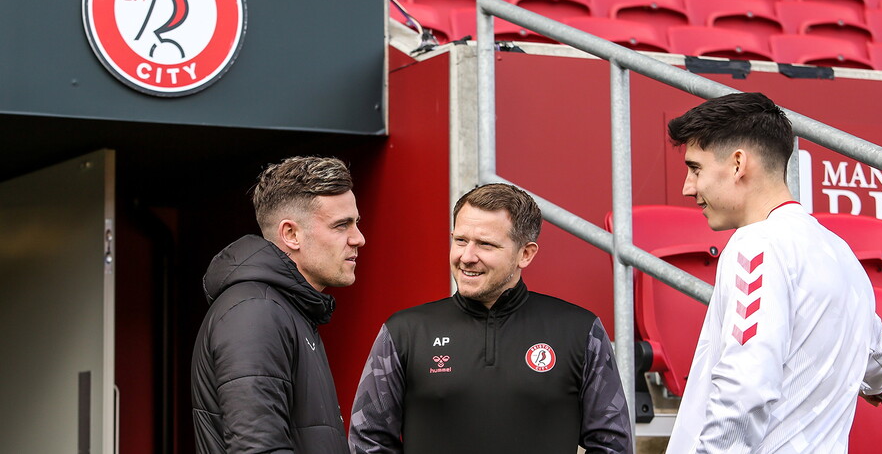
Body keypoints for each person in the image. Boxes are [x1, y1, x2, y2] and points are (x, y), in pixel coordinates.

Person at [664, 92, 882, 453]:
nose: (688, 187)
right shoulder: (840, 252)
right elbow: (874, 355)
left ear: (737, 163)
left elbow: (744, 388)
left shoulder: (755, 244)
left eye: (695, 168)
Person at [348, 183, 633, 454]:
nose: (467, 256)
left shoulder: (580, 331)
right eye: (460, 240)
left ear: (525, 253)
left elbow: (612, 444)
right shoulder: (404, 332)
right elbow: (368, 438)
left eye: (485, 244)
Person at [191, 156, 365, 454]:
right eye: (341, 225)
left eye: (356, 223)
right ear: (291, 234)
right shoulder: (255, 311)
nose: (358, 238)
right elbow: (258, 448)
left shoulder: (286, 309)